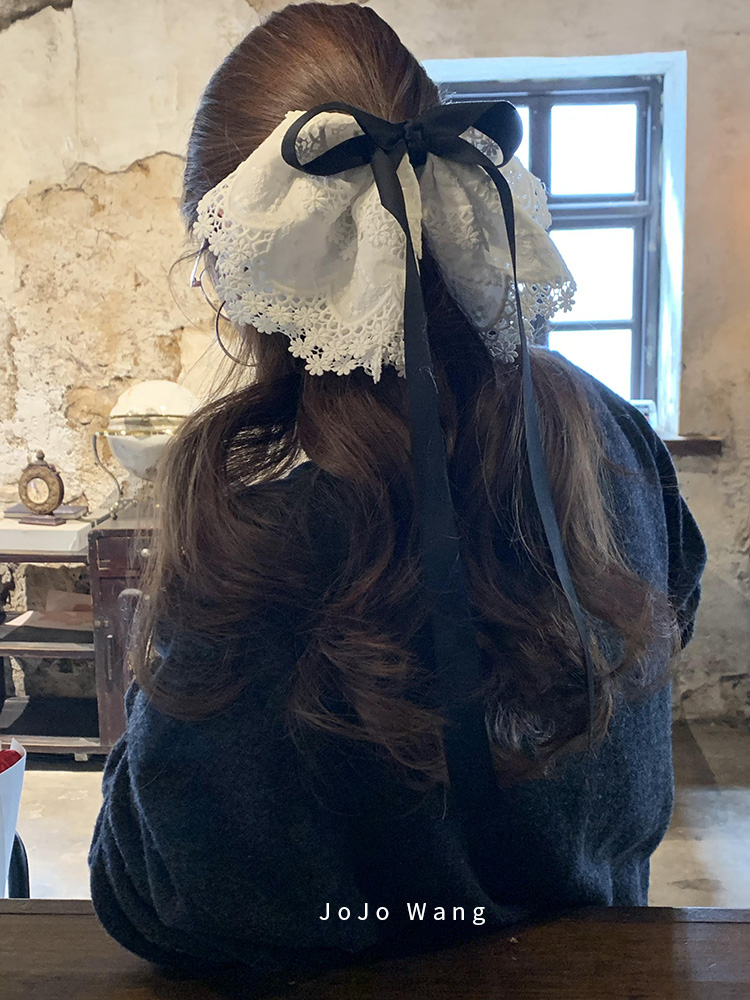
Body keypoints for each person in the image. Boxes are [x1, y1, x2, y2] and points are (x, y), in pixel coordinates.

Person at [88, 2, 707, 989]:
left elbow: (168, 899)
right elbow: (675, 607)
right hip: (595, 965)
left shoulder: (251, 524)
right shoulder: (610, 431)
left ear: (234, 258)